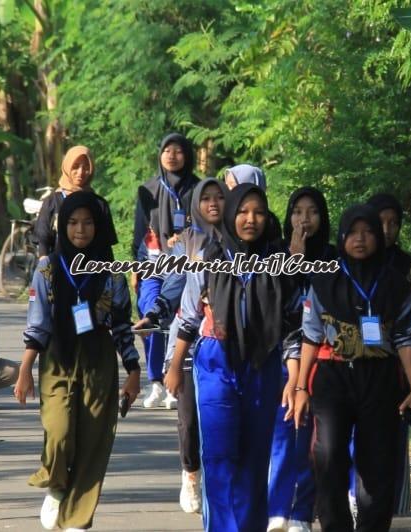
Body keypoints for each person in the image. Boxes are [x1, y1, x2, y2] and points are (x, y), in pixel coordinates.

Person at [166, 182, 295, 532]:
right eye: (242, 211)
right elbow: (189, 315)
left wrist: (296, 380)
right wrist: (175, 366)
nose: (250, 219)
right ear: (230, 215)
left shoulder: (279, 264)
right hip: (214, 364)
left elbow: (294, 325)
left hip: (262, 365)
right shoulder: (209, 257)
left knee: (254, 460)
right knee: (220, 457)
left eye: (258, 212)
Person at [292, 204, 411, 532]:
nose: (360, 239)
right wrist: (300, 388)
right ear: (342, 236)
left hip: (380, 380)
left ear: (379, 237)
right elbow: (310, 334)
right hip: (333, 378)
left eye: (368, 232)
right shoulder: (325, 279)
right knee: (329, 454)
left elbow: (407, 337)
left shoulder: (396, 282)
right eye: (352, 232)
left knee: (377, 464)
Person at [15, 191, 141, 531]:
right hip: (57, 355)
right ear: (61, 226)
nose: (80, 229)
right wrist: (25, 368)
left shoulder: (112, 274)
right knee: (59, 431)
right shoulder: (47, 268)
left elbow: (121, 326)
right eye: (72, 222)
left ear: (99, 227)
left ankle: (77, 520)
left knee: (93, 443)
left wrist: (133, 370)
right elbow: (37, 322)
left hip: (99, 358)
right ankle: (56, 482)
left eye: (88, 222)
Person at [134, 178, 227, 514]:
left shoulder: (241, 242)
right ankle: (191, 473)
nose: (214, 203)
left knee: (221, 417)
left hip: (229, 346)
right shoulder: (185, 242)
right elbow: (172, 283)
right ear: (196, 205)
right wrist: (155, 312)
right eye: (207, 198)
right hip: (188, 342)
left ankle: (221, 481)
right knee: (188, 418)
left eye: (220, 197)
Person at [365, 192, 411, 515]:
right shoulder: (352, 262)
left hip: (398, 367)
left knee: (391, 440)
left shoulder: (410, 269)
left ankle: (385, 506)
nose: (388, 229)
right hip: (357, 366)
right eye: (381, 222)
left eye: (394, 223)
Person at [268, 187, 334, 532]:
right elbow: (274, 306)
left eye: (311, 212)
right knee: (282, 433)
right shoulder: (275, 254)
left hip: (320, 357)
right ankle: (277, 508)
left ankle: (301, 513)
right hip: (280, 355)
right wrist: (293, 258)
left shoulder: (332, 257)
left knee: (311, 436)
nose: (303, 219)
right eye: (297, 211)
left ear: (322, 217)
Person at [132, 133, 200, 408]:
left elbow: (206, 224)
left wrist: (184, 238)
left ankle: (175, 379)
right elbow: (139, 233)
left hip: (184, 262)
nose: (172, 155)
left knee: (175, 316)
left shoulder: (198, 188)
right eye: (167, 150)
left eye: (178, 150)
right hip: (152, 260)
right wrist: (135, 268)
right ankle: (156, 381)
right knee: (149, 316)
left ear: (188, 155)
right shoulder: (147, 189)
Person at [33, 146, 117, 259]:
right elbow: (43, 240)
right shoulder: (52, 201)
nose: (81, 172)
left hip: (91, 271)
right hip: (60, 269)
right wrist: (45, 270)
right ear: (67, 167)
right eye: (75, 167)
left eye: (86, 167)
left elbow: (106, 246)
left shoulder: (99, 204)